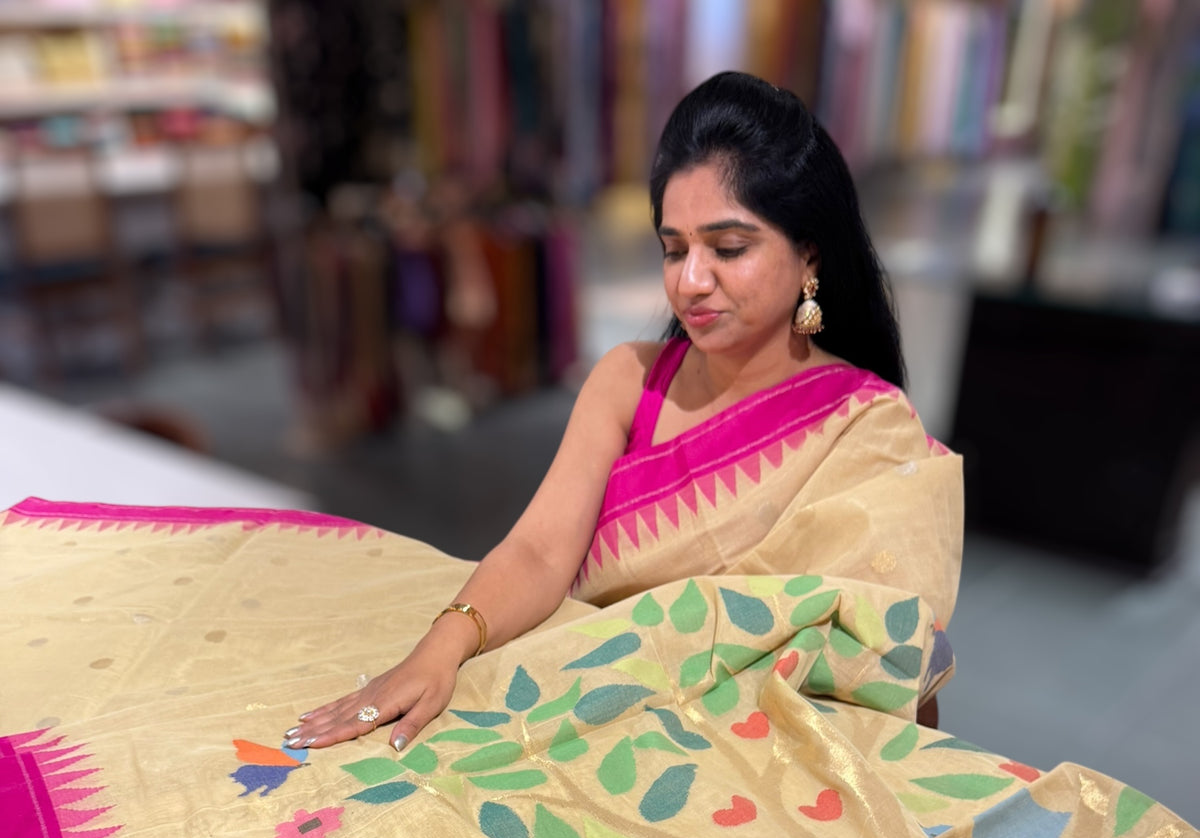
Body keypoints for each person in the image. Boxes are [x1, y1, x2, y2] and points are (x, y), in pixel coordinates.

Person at [285, 71, 959, 755]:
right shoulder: (627, 380)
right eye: (673, 249)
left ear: (808, 253)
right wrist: (440, 649)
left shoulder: (868, 429)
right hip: (585, 714)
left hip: (758, 753)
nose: (690, 282)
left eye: (728, 249)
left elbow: (891, 660)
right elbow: (540, 551)